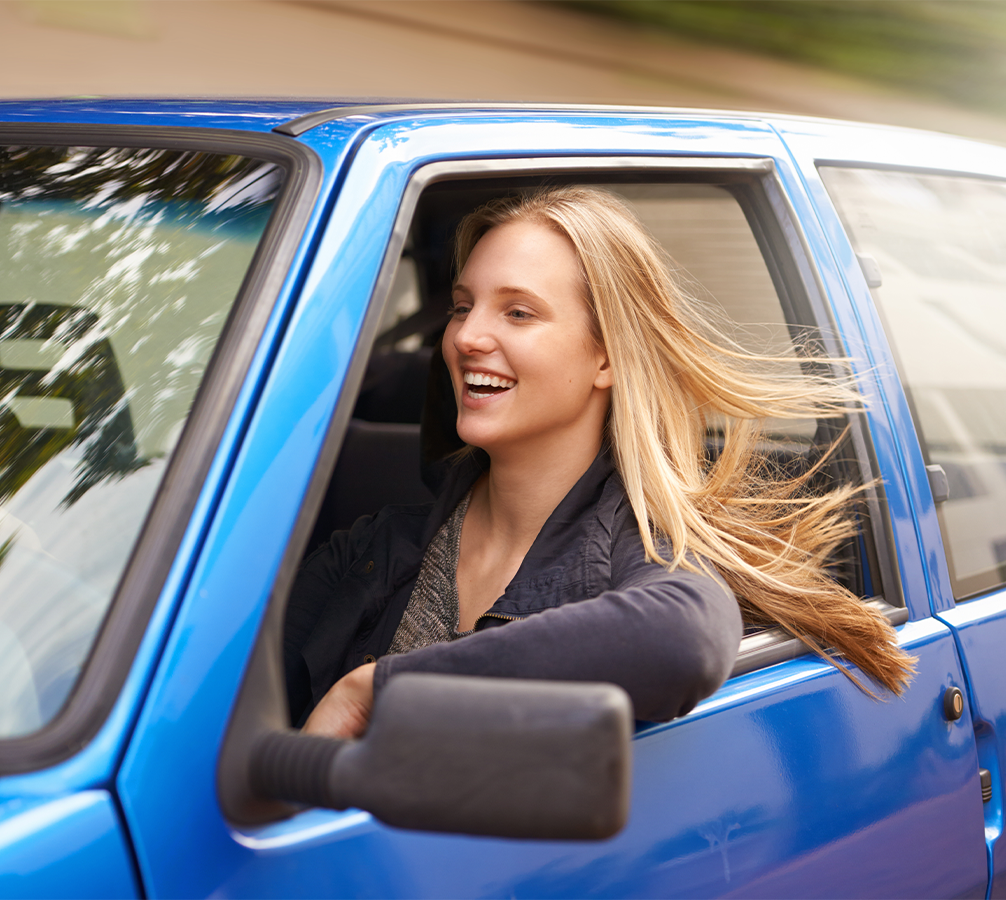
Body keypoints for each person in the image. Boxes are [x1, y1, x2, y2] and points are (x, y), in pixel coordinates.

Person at [284, 186, 915, 740]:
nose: (466, 336)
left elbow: (684, 637)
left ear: (606, 358)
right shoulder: (373, 545)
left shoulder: (642, 551)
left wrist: (378, 688)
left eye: (518, 312)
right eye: (461, 305)